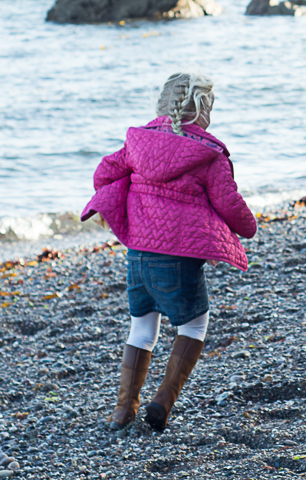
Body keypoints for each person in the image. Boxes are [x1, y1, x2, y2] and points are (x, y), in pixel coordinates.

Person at [82, 71, 257, 431]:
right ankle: (161, 403)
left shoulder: (137, 144)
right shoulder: (208, 154)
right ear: (203, 108)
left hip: (138, 255)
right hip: (179, 258)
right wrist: (247, 226)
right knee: (194, 324)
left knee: (142, 328)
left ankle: (123, 409)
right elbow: (229, 202)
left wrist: (126, 206)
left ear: (163, 104)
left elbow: (104, 173)